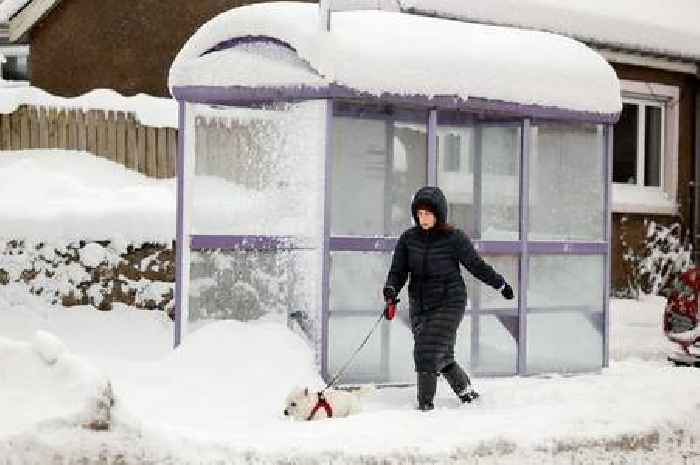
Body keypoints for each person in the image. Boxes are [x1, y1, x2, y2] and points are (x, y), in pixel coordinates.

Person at [383, 186, 514, 411]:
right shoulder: (408, 239)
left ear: (439, 214)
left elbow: (476, 265)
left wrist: (500, 284)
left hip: (449, 301)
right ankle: (466, 392)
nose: (423, 218)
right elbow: (398, 271)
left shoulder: (453, 238)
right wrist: (391, 290)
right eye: (420, 214)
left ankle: (425, 407)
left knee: (426, 351)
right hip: (420, 305)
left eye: (428, 213)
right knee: (441, 355)